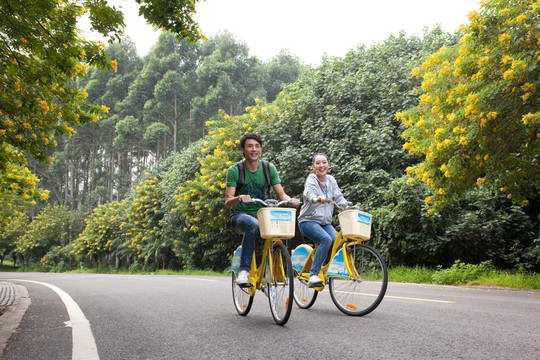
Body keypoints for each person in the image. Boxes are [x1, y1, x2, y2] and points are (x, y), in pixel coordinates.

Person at [225, 132, 298, 286]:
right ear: (243, 150)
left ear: (261, 149)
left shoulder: (268, 168)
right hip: (240, 216)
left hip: (263, 214)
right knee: (252, 224)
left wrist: (291, 201)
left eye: (257, 146)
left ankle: (271, 269)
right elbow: (228, 201)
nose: (254, 149)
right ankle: (244, 272)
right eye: (250, 146)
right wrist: (239, 198)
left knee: (281, 226)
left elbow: (282, 194)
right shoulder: (235, 170)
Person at [297, 153, 350, 287]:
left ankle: (324, 267)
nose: (321, 165)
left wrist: (347, 205)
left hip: (325, 223)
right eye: (318, 163)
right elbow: (309, 192)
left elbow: (338, 196)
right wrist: (315, 198)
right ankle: (313, 275)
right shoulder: (311, 179)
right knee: (326, 239)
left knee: (336, 240)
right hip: (307, 221)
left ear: (329, 165)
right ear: (314, 166)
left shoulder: (331, 180)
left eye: (324, 162)